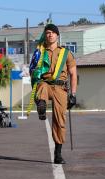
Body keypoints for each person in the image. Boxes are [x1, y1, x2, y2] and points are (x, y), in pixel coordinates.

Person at [29, 24, 77, 164]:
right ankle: (41, 106)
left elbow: (73, 74)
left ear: (57, 35)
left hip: (60, 88)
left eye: (52, 33)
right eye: (47, 33)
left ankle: (58, 153)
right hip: (45, 84)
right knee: (42, 86)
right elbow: (33, 71)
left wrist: (73, 94)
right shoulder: (39, 52)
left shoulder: (66, 53)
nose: (50, 35)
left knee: (60, 121)